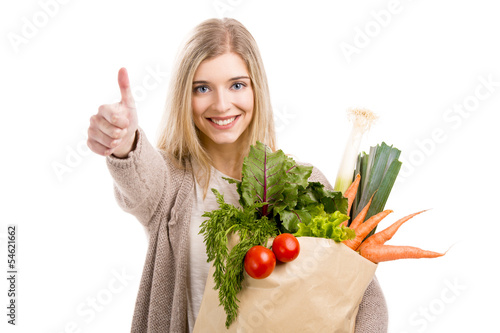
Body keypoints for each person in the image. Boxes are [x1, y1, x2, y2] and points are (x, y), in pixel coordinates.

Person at [87, 18, 388, 333]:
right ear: (183, 97)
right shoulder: (171, 183)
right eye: (202, 88)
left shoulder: (305, 183)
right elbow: (141, 179)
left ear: (256, 88)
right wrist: (125, 143)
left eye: (237, 85)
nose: (221, 104)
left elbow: (364, 297)